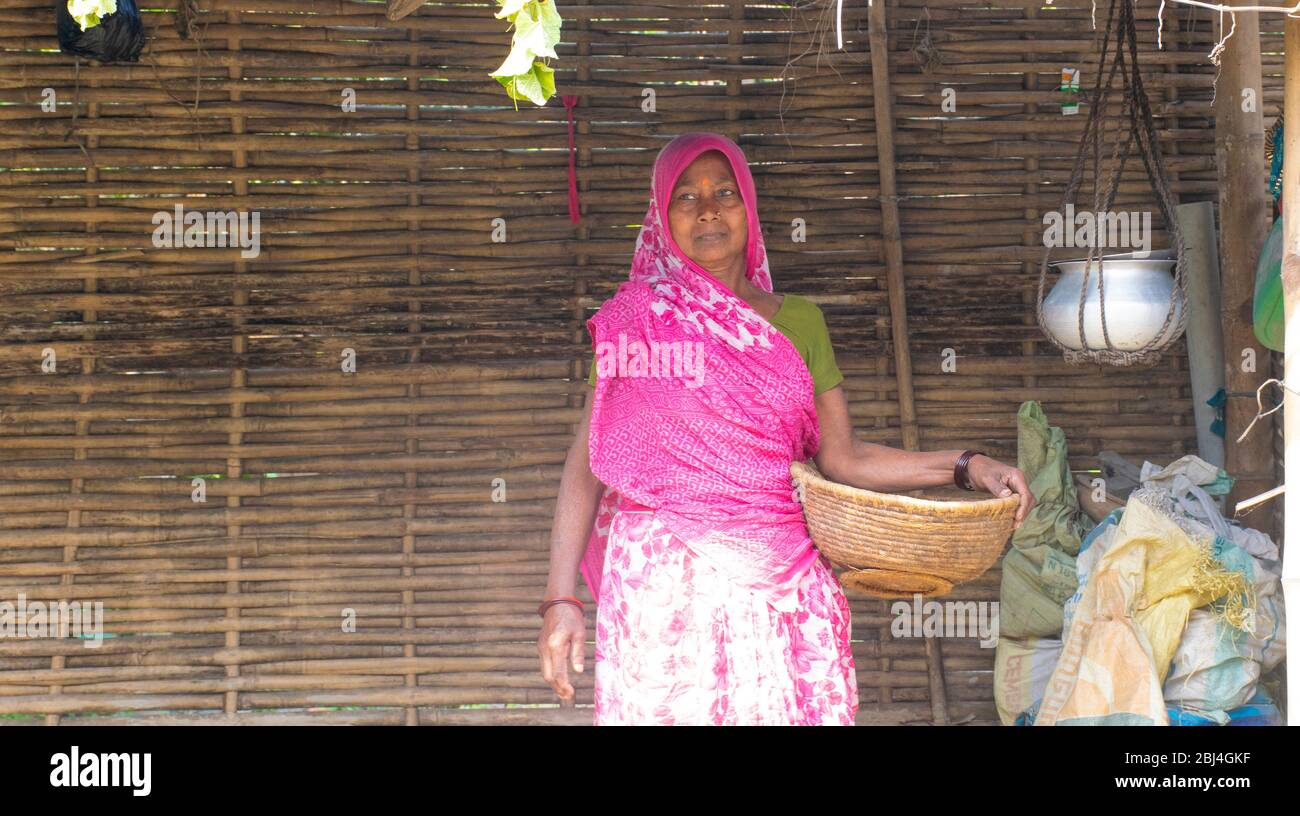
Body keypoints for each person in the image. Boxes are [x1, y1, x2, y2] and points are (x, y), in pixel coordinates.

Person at [537, 131, 1035, 725]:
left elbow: (843, 458)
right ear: (661, 217)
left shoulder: (799, 323)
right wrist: (561, 600)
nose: (709, 209)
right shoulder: (637, 320)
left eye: (725, 191)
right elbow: (589, 461)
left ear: (748, 207)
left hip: (780, 582)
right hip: (663, 588)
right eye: (686, 197)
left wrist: (969, 465)